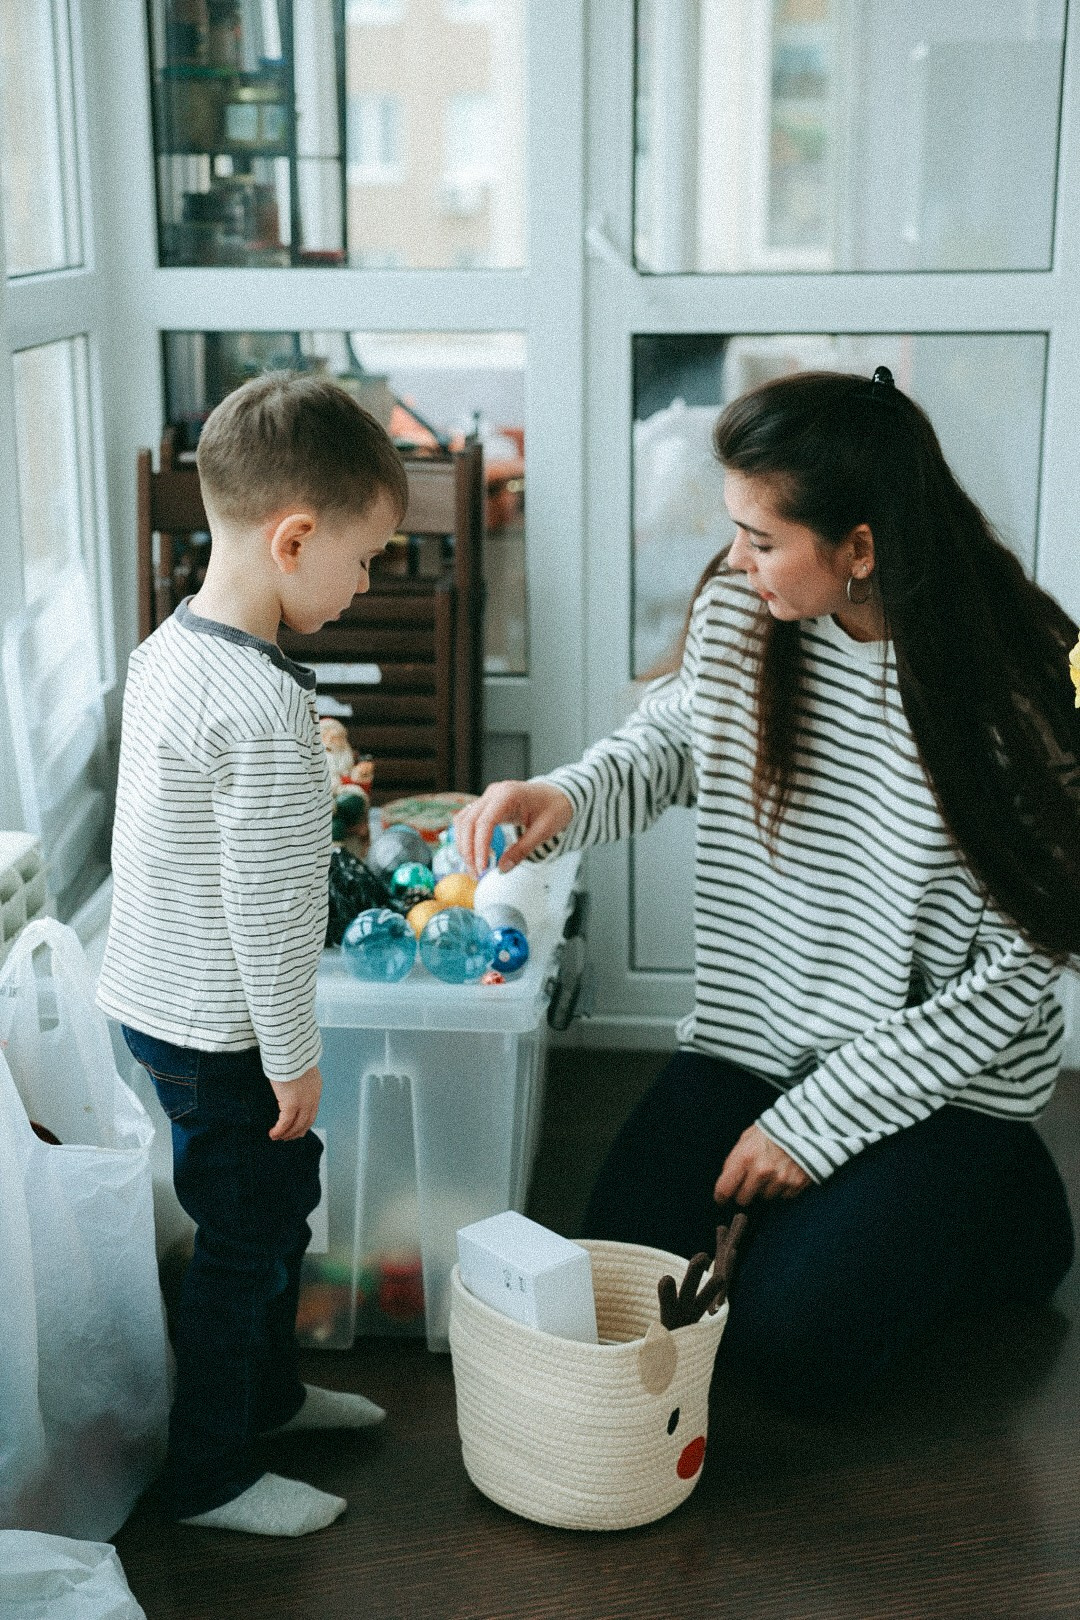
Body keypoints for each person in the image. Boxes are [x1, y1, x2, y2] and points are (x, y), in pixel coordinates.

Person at [455, 367, 1077, 1419]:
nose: (735, 560)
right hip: (758, 1040)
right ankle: (869, 1207)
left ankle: (1009, 1205)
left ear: (861, 549)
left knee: (795, 1345)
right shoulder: (748, 616)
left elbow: (1019, 972)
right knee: (610, 1278)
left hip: (940, 1085)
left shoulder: (1013, 692)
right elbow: (672, 738)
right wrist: (563, 794)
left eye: (762, 536)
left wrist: (814, 1130)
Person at [97, 373, 407, 1533]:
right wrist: (292, 1057)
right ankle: (210, 1474)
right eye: (365, 557)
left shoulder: (171, 646)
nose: (367, 582)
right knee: (247, 1237)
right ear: (293, 539)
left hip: (155, 998)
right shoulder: (263, 712)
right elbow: (269, 916)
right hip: (226, 1027)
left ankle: (267, 1400)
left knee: (271, 1210)